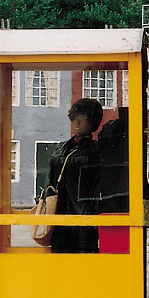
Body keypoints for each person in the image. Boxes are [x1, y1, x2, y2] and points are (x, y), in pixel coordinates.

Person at [44, 98, 107, 254]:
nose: (77, 122)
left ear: (93, 122)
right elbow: (50, 181)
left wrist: (95, 212)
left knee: (84, 261)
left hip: (84, 219)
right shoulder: (61, 148)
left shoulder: (96, 151)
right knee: (60, 260)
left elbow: (100, 185)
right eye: (75, 117)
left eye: (84, 118)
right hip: (59, 217)